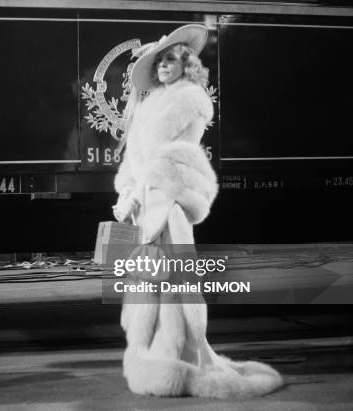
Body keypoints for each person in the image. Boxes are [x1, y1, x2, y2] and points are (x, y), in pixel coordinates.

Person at [112, 25, 284, 398]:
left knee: (174, 279)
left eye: (173, 59)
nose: (164, 66)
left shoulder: (189, 99)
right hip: (145, 203)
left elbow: (173, 155)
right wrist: (127, 193)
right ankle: (154, 353)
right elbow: (134, 161)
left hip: (167, 202)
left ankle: (182, 355)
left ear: (188, 64)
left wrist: (145, 186)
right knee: (148, 280)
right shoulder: (149, 103)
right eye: (161, 60)